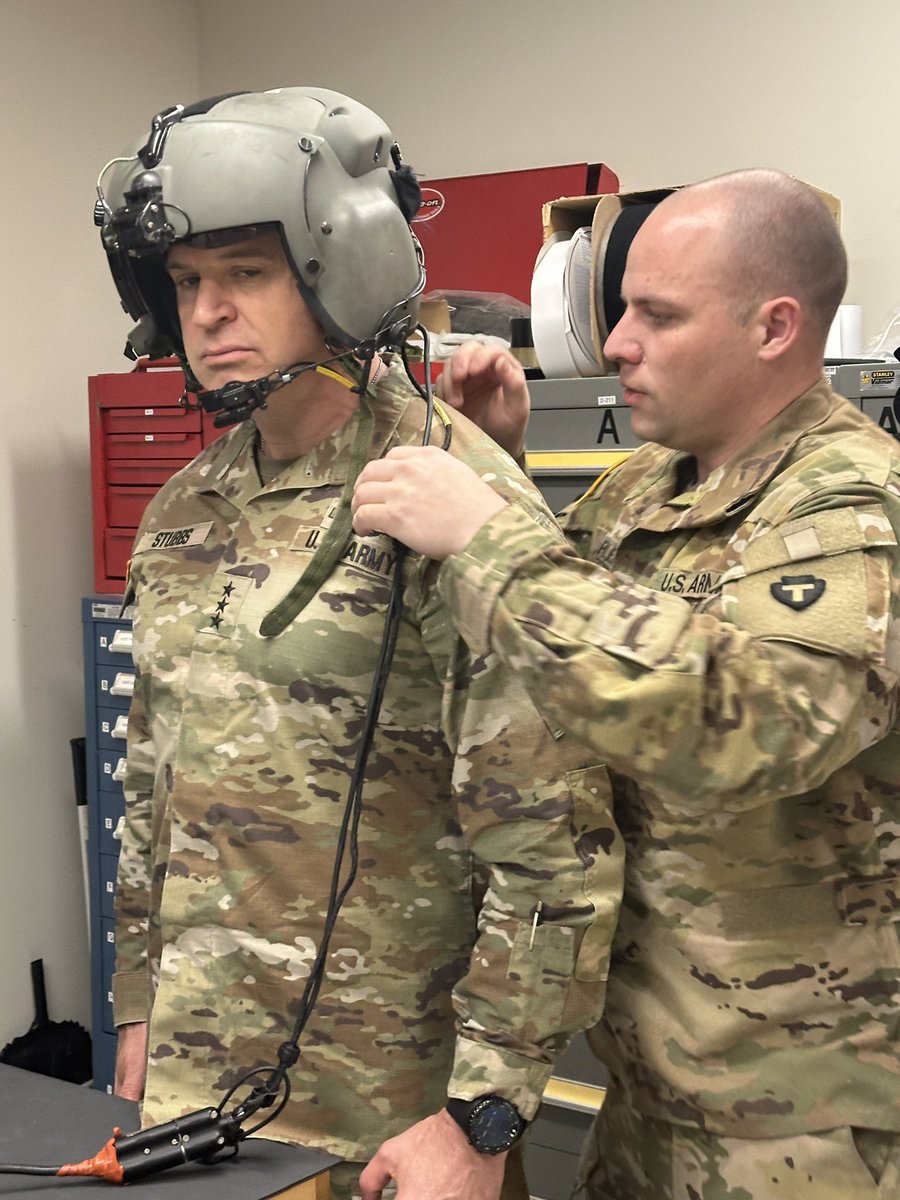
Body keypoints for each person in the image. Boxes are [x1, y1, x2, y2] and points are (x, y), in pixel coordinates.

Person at [94, 88, 623, 1200]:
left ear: (340, 268)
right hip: (200, 1089)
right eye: (187, 282)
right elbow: (154, 787)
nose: (208, 313)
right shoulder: (183, 511)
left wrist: (484, 1116)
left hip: (392, 1113)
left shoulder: (452, 499)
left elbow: (553, 848)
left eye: (245, 273)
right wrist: (139, 1005)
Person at [352, 169, 900, 1198]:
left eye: (657, 313)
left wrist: (490, 534)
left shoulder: (855, 506)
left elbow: (754, 727)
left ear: (775, 326)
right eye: (620, 309)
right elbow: (583, 664)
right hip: (649, 1098)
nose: (614, 343)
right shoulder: (647, 486)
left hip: (807, 1134)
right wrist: (508, 466)